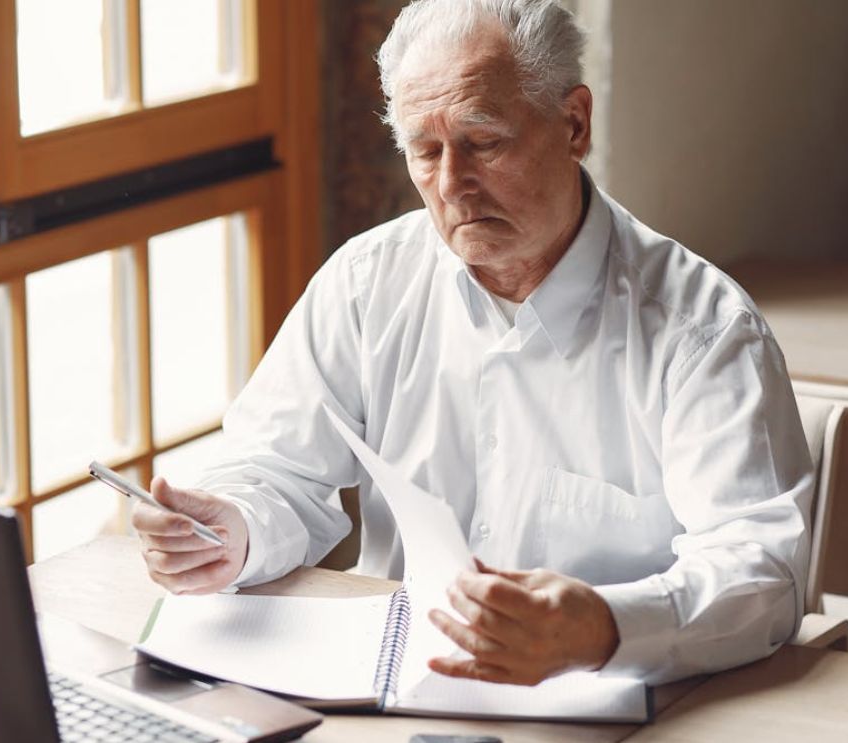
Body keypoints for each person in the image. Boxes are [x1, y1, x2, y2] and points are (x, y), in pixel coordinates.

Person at [131, 0, 812, 687]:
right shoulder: (367, 285)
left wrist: (605, 625)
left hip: (615, 705)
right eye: (424, 151)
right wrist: (230, 530)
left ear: (574, 124)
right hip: (390, 695)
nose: (452, 184)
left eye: (484, 142)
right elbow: (277, 469)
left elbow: (760, 569)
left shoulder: (702, 330)